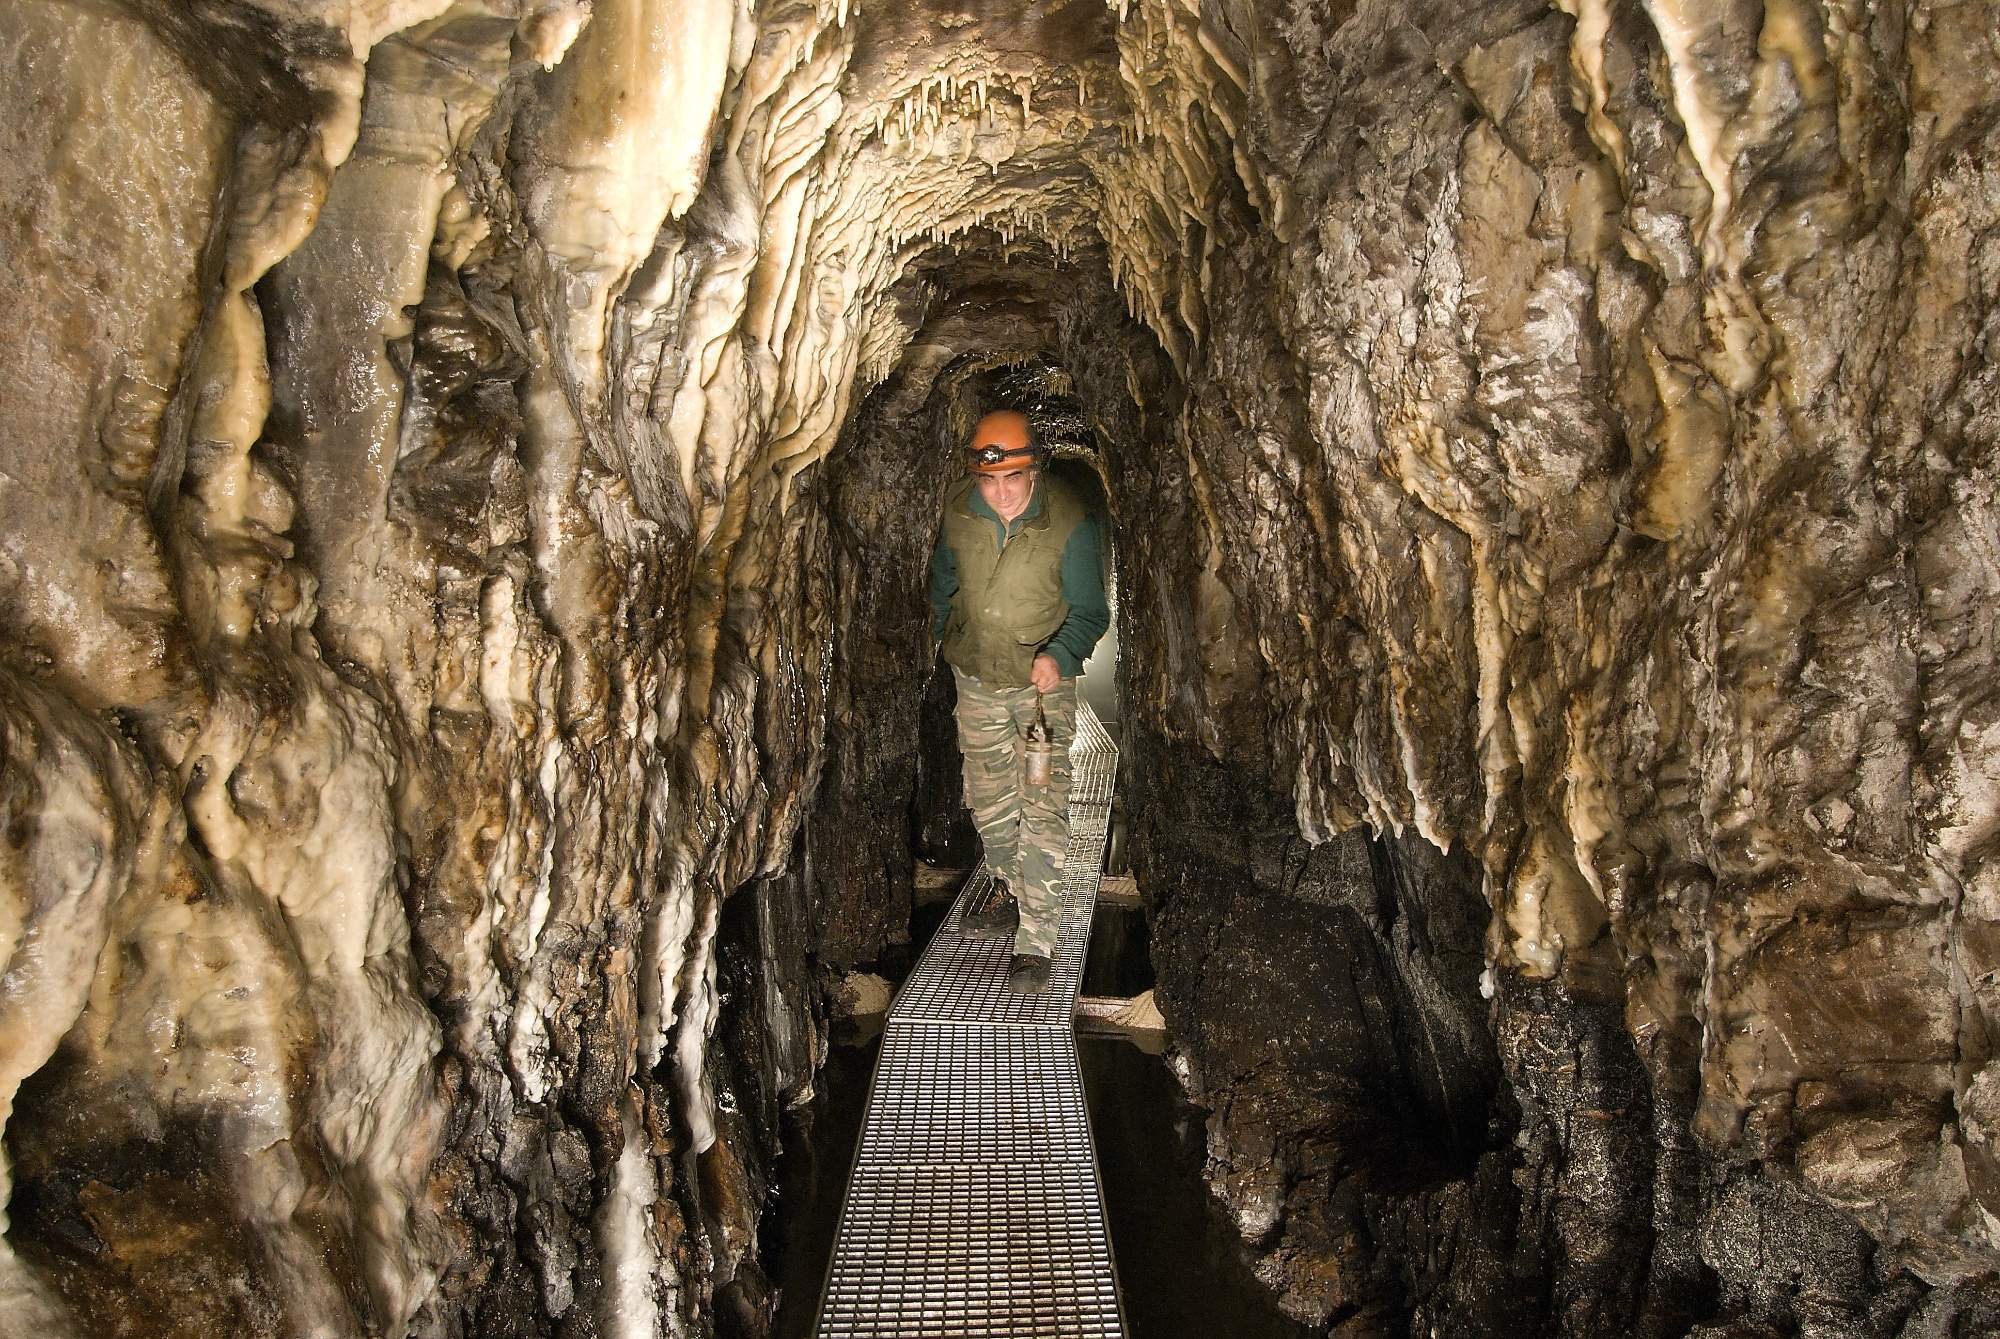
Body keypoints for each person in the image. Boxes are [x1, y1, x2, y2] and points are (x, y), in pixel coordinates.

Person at [928, 409, 1109, 993]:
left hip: (1041, 694)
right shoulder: (958, 513)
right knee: (989, 805)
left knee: (1042, 806)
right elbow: (943, 586)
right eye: (989, 481)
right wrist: (940, 638)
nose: (1001, 493)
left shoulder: (1072, 522)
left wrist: (1059, 655)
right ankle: (1015, 889)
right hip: (976, 680)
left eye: (1013, 479)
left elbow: (1090, 611)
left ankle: (1036, 941)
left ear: (1035, 472)